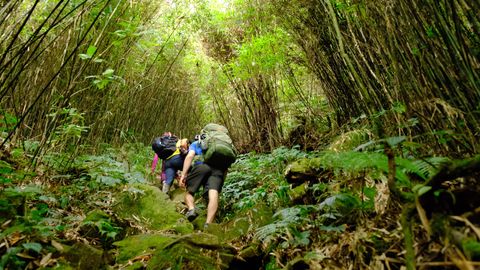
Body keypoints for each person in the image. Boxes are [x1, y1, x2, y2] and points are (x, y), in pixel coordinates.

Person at [179, 135, 228, 228]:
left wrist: (183, 175)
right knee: (213, 194)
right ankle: (208, 224)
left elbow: (190, 156)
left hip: (201, 166)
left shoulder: (197, 143)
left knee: (189, 191)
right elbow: (226, 168)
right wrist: (221, 182)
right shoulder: (222, 148)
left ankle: (191, 209)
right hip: (219, 170)